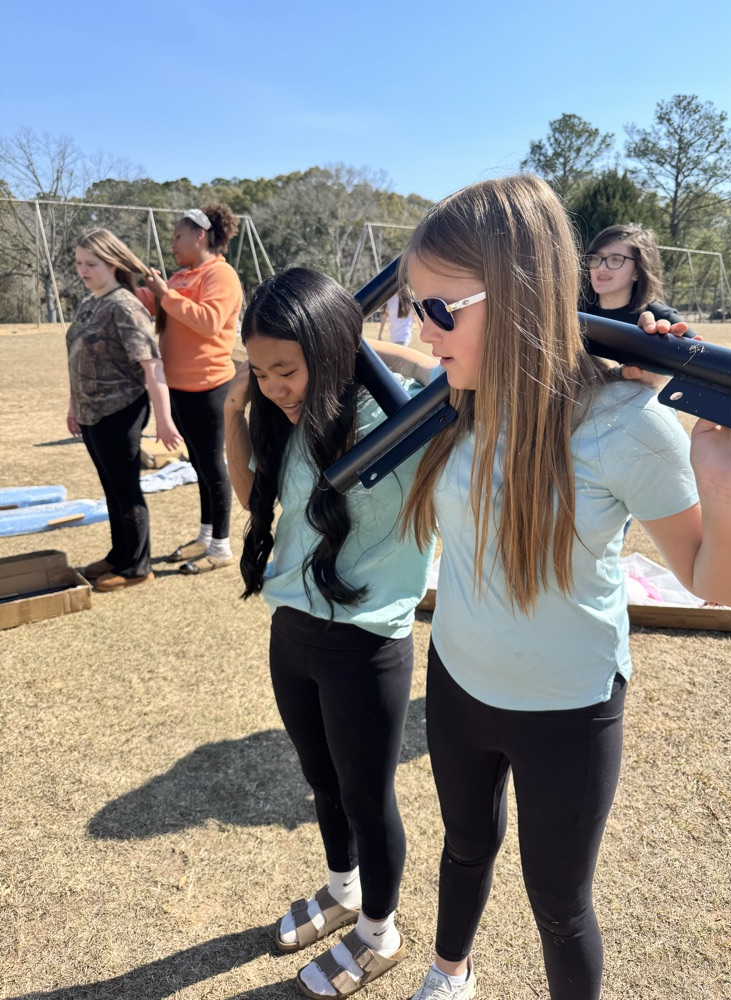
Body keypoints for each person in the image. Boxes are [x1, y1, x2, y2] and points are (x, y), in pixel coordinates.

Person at [397, 176, 731, 1000]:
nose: (424, 328)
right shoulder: (459, 402)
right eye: (417, 306)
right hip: (456, 681)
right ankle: (450, 974)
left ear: (518, 296)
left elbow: (715, 582)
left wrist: (729, 482)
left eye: (442, 309)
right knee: (462, 847)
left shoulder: (626, 424)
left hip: (568, 711)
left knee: (558, 905)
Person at [223, 267, 437, 999]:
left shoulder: (399, 425)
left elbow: (458, 383)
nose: (275, 386)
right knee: (322, 781)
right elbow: (258, 500)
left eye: (287, 368)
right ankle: (342, 891)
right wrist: (232, 414)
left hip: (366, 646)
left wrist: (398, 358)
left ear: (333, 348)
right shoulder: (289, 422)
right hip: (294, 631)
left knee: (367, 797)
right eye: (260, 372)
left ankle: (379, 932)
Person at [66, 229, 182, 592]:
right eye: (78, 263)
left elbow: (152, 366)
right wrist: (73, 406)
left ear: (113, 264)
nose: (83, 270)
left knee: (125, 489)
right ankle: (119, 555)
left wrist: (164, 420)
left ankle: (136, 566)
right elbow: (76, 358)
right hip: (90, 413)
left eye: (91, 264)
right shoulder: (91, 303)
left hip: (120, 411)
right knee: (111, 488)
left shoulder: (124, 306)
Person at [137, 203, 243, 574]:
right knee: (198, 463)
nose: (173, 244)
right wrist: (143, 290)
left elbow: (210, 322)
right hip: (179, 387)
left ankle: (222, 546)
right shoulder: (181, 276)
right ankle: (205, 535)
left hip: (209, 387)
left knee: (213, 465)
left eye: (178, 236)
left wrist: (166, 294)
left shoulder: (221, 275)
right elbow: (159, 307)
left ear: (200, 235)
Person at [581, 222, 695, 334]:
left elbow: (701, 351)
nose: (601, 267)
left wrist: (667, 345)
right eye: (596, 258)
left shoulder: (659, 321)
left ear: (638, 271)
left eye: (615, 259)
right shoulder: (575, 313)